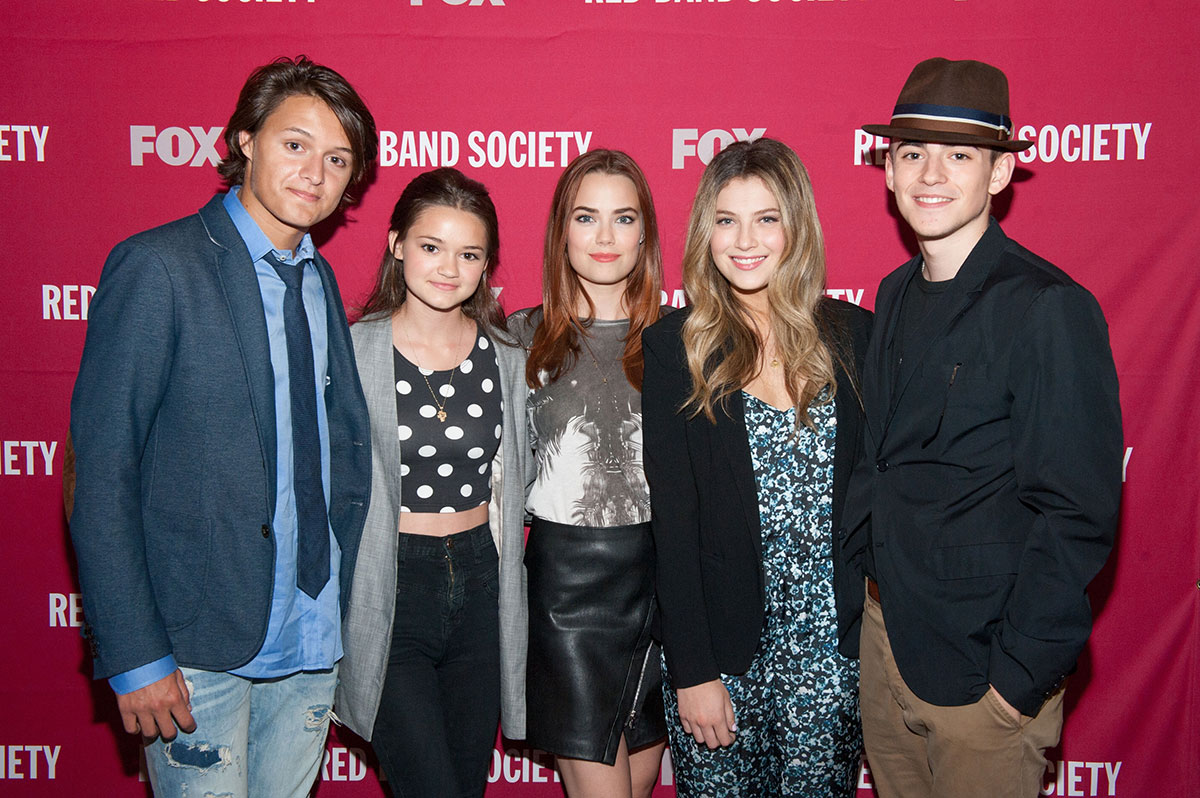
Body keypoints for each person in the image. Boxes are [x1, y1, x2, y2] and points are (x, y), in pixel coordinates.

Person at [68, 56, 377, 796]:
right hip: (195, 650)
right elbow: (100, 471)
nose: (315, 172)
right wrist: (138, 655)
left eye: (337, 159)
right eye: (295, 144)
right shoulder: (158, 267)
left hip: (310, 639)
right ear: (243, 139)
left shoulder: (320, 278)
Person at [851, 57, 1122, 798]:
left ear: (1000, 174)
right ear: (887, 170)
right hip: (886, 648)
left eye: (959, 156)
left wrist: (1017, 681)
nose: (930, 174)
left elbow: (1078, 511)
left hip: (983, 678)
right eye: (912, 153)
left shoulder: (1046, 308)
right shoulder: (895, 291)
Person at [642, 138, 871, 796]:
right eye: (726, 219)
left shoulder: (856, 338)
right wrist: (693, 672)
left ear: (796, 227)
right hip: (724, 662)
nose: (745, 240)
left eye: (766, 218)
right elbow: (673, 529)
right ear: (705, 232)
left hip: (831, 665)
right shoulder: (674, 347)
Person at [333, 167, 530, 798]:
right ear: (395, 244)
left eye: (468, 253)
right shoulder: (351, 349)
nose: (449, 268)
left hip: (481, 581)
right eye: (430, 246)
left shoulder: (506, 356)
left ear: (486, 266)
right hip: (389, 584)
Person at [510, 149, 668, 798]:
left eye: (623, 218)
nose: (605, 237)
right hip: (566, 595)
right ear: (561, 232)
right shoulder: (518, 338)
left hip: (661, 590)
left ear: (645, 234)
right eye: (586, 217)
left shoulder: (679, 343)